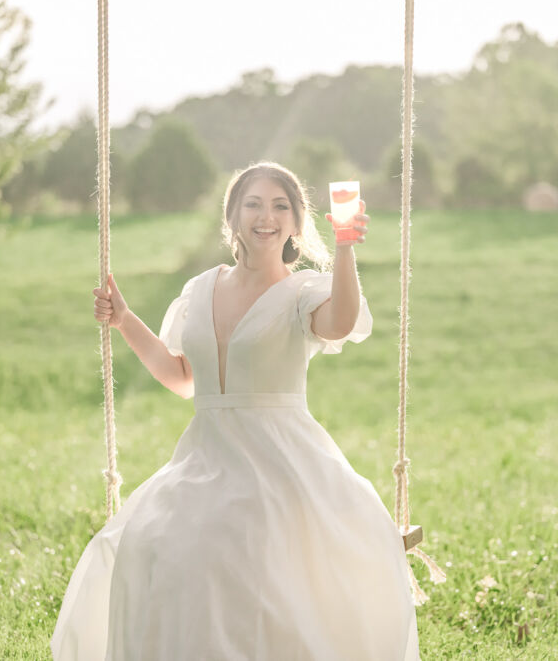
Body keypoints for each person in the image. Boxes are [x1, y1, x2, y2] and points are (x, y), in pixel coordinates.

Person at [51, 162, 420, 660]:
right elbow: (182, 377)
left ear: (295, 224)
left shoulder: (302, 291)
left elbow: (339, 323)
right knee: (148, 541)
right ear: (231, 217)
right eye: (253, 204)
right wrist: (124, 319)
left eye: (279, 206)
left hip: (280, 460)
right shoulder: (201, 289)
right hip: (204, 458)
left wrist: (346, 247)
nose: (265, 216)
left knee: (232, 546)